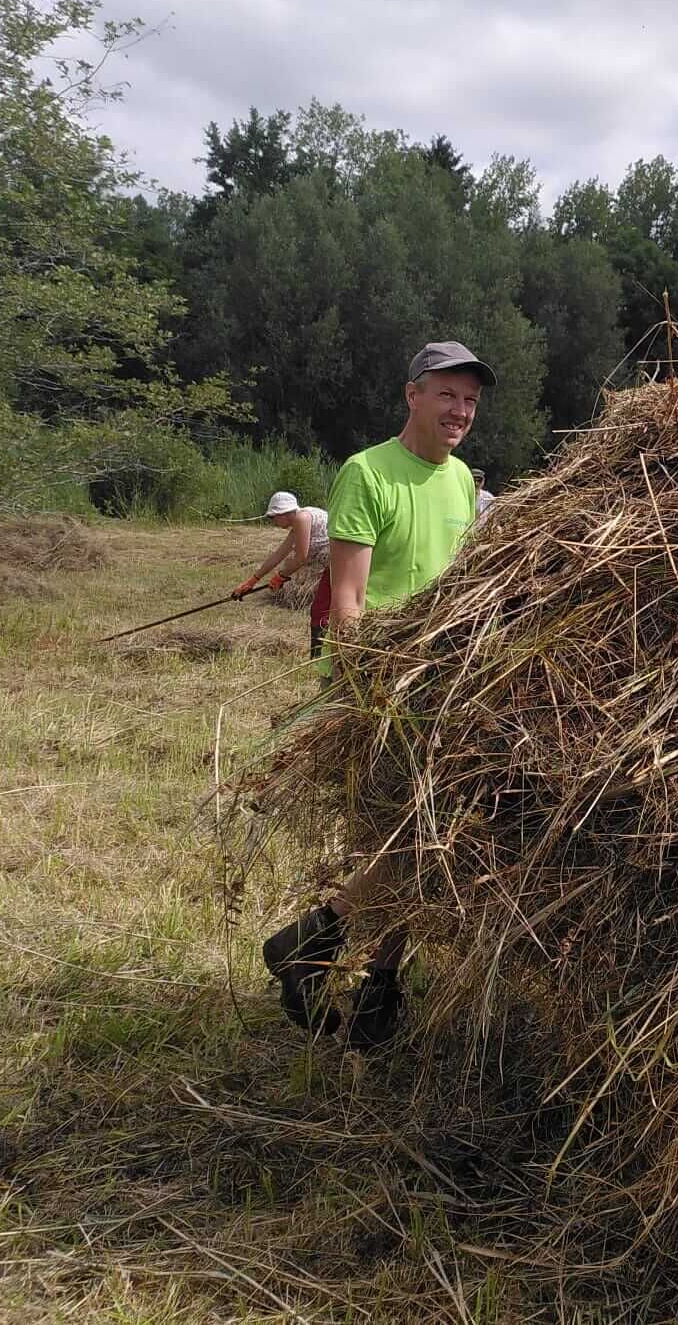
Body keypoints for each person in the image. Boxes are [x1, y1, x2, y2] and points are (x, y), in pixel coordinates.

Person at [259, 340, 495, 1049]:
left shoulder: (460, 483)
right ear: (412, 395)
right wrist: (372, 699)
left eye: (471, 401)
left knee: (416, 850)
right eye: (447, 394)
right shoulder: (367, 474)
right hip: (379, 691)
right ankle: (311, 949)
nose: (460, 411)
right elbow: (352, 603)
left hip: (439, 688)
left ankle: (370, 987)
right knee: (401, 847)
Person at [234, 491, 332, 659]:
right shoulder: (298, 524)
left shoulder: (303, 518)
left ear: (283, 513)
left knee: (321, 611)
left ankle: (319, 658)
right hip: (333, 567)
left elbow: (300, 557)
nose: (273, 522)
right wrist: (253, 580)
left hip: (341, 564)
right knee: (320, 611)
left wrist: (280, 576)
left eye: (273, 517)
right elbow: (279, 554)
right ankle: (320, 657)